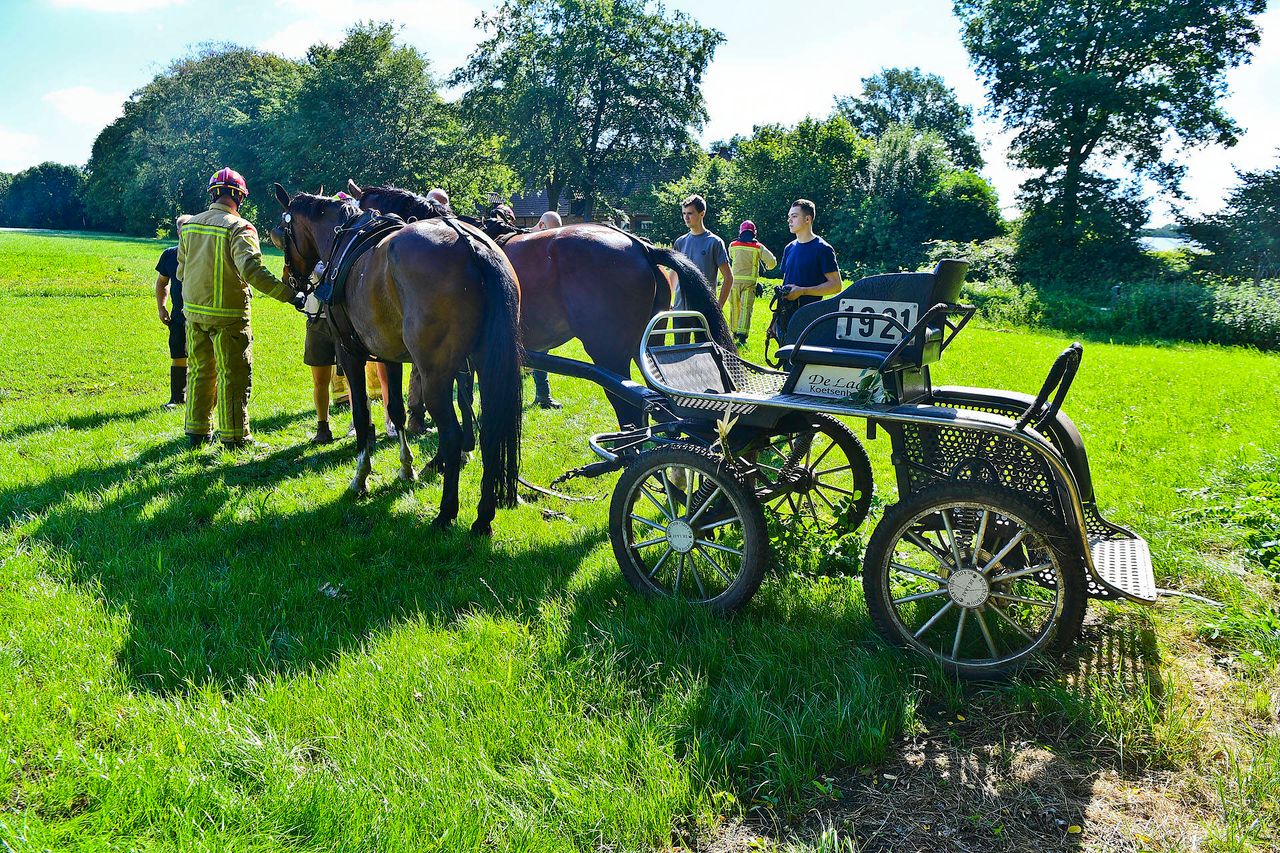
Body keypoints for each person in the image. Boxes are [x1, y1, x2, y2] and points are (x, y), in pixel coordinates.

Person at [179, 167, 305, 449]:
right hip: (229, 316)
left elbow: (181, 270)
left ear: (213, 193)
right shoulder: (240, 228)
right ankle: (235, 437)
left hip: (194, 313)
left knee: (199, 371)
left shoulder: (190, 225)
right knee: (233, 375)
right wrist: (289, 295)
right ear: (239, 197)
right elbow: (252, 270)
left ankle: (196, 432)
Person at [155, 214, 193, 408]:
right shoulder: (170, 255)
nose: (186, 231)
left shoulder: (203, 253)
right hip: (178, 315)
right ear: (178, 231)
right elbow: (162, 283)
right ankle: (177, 398)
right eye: (182, 228)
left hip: (203, 314)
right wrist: (162, 307)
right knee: (178, 354)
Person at [527, 210, 564, 409]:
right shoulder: (525, 242)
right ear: (542, 225)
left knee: (542, 352)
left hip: (542, 307)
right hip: (524, 307)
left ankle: (543, 396)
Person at [673, 194, 733, 310]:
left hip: (705, 309)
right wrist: (669, 300)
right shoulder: (680, 242)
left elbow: (728, 277)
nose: (686, 218)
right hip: (680, 308)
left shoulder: (715, 242)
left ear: (702, 213)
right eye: (684, 213)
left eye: (690, 213)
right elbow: (673, 274)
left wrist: (718, 306)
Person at [780, 199, 842, 308]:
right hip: (785, 315)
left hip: (809, 316)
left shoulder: (823, 249)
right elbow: (785, 282)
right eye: (789, 216)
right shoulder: (789, 248)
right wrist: (775, 319)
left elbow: (836, 285)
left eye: (794, 216)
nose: (789, 220)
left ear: (807, 219)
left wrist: (802, 291)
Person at [726, 219, 777, 346]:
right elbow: (772, 262)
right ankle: (742, 336)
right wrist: (767, 268)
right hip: (750, 283)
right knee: (745, 308)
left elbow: (731, 257)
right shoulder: (758, 247)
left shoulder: (733, 245)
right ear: (754, 233)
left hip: (734, 282)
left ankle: (734, 332)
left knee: (734, 307)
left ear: (740, 232)